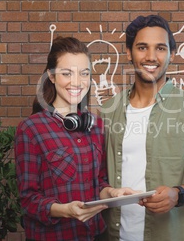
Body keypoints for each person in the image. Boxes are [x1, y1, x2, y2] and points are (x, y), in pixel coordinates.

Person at [102, 15, 184, 241]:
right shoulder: (107, 112)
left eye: (160, 48)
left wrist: (177, 195)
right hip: (113, 235)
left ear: (172, 54)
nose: (151, 57)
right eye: (142, 47)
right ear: (129, 52)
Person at [14, 36, 135, 241]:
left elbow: (98, 183)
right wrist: (65, 210)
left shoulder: (96, 126)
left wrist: (113, 194)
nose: (77, 82)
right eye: (67, 73)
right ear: (51, 76)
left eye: (84, 73)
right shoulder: (31, 129)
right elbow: (28, 200)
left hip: (94, 235)